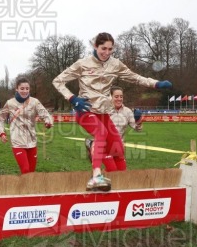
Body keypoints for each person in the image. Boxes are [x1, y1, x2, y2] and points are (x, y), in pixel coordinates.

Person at [52, 32, 172, 191]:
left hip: (103, 112)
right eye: (103, 48)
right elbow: (57, 80)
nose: (106, 53)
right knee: (101, 133)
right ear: (95, 46)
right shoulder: (83, 64)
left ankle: (95, 149)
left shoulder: (115, 64)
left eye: (110, 49)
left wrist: (156, 84)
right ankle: (96, 176)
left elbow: (134, 77)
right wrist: (72, 98)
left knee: (118, 148)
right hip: (85, 111)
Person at [0, 77, 53, 174]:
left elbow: (45, 114)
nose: (25, 91)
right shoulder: (10, 103)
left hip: (32, 140)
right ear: (17, 89)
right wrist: (2, 133)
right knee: (26, 170)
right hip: (17, 141)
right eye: (22, 88)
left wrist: (48, 122)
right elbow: (0, 119)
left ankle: (27, 189)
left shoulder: (35, 102)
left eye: (27, 88)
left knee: (31, 172)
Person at [85, 86, 143, 162]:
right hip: (104, 144)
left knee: (119, 169)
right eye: (116, 97)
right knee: (98, 165)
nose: (119, 99)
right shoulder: (103, 110)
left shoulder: (128, 111)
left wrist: (138, 122)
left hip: (119, 146)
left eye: (121, 97)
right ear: (110, 97)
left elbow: (136, 127)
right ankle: (93, 145)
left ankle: (92, 144)